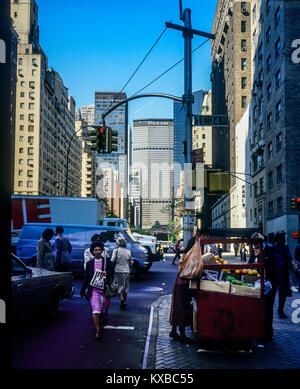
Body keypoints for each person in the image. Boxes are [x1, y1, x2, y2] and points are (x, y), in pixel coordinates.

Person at [80, 242, 114, 339]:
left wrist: (106, 273)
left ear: (102, 251)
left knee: (104, 308)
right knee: (96, 310)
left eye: (99, 250)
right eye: (96, 250)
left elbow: (113, 271)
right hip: (93, 289)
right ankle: (98, 331)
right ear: (92, 252)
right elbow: (86, 278)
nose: (98, 251)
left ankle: (103, 315)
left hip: (105, 289)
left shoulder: (107, 261)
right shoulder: (89, 264)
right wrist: (82, 291)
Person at [266, 232, 292, 320]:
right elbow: (268, 260)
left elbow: (289, 258)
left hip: (283, 272)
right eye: (282, 239)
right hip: (275, 272)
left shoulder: (285, 247)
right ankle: (271, 311)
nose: (284, 241)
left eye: (284, 239)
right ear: (278, 240)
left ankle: (280, 310)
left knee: (283, 292)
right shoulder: (272, 248)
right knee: (272, 293)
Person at [169, 255, 194, 344]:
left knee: (177, 307)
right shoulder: (189, 256)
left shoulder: (186, 255)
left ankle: (173, 331)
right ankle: (182, 335)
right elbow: (183, 268)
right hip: (183, 283)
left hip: (179, 282)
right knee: (182, 308)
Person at [111, 238, 133, 309]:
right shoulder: (128, 251)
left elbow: (112, 260)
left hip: (118, 271)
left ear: (118, 244)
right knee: (126, 288)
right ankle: (125, 301)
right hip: (127, 271)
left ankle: (121, 300)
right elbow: (131, 262)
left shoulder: (116, 250)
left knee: (119, 287)